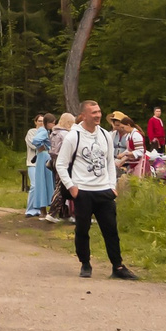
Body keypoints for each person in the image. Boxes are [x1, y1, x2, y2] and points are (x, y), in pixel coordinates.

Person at [55, 100, 133, 280]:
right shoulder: (74, 136)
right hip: (83, 190)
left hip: (103, 190)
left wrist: (112, 186)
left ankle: (118, 266)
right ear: (83, 115)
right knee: (83, 229)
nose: (98, 115)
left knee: (111, 229)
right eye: (93, 113)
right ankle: (85, 263)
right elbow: (61, 164)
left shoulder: (106, 135)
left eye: (99, 111)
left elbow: (109, 162)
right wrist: (72, 187)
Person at [24, 114, 56, 218]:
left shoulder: (47, 131)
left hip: (45, 156)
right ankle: (41, 210)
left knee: (46, 183)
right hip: (44, 157)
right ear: (49, 123)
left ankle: (45, 210)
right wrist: (42, 147)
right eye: (53, 122)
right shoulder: (43, 131)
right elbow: (35, 140)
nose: (54, 124)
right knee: (42, 182)